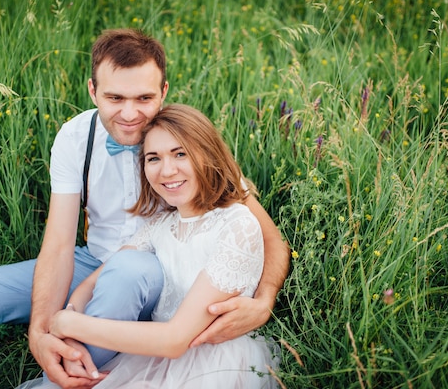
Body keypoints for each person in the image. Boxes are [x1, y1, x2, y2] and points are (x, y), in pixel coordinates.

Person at [0, 29, 289, 389]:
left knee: (128, 271)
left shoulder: (185, 142)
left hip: (163, 278)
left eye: (144, 98)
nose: (129, 113)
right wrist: (41, 329)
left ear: (164, 92)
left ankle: (74, 374)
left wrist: (263, 302)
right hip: (94, 263)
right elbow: (60, 243)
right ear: (93, 91)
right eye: (115, 98)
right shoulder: (75, 138)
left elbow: (268, 237)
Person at [20, 103, 280, 388]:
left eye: (180, 154)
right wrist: (69, 319)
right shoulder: (161, 226)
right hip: (156, 354)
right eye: (153, 158)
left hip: (210, 363)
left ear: (207, 154)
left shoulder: (236, 224)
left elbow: (175, 340)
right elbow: (91, 284)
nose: (167, 170)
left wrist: (71, 325)